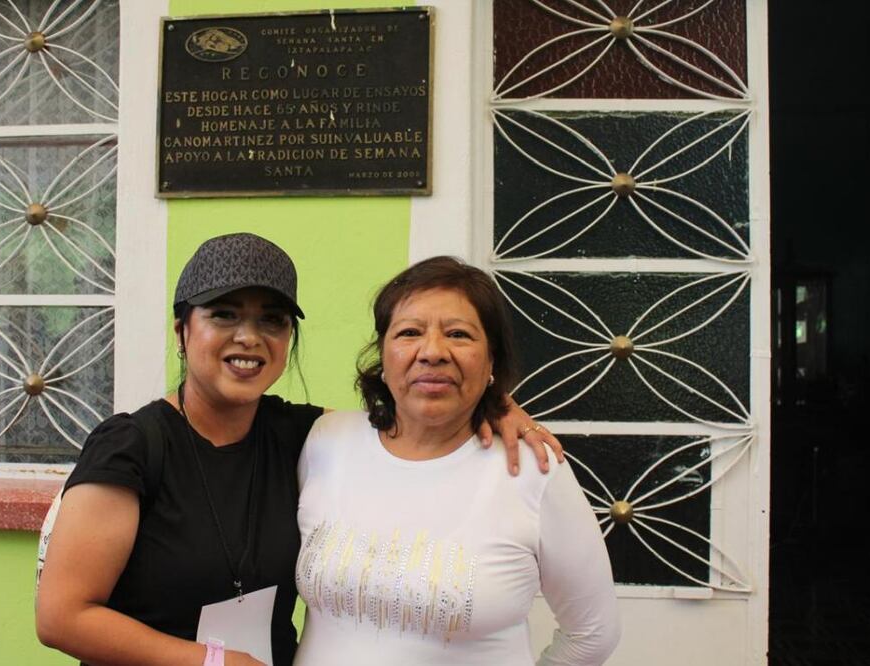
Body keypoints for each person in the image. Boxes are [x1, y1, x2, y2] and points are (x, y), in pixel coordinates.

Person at [36, 234, 562, 666]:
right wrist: (212, 662)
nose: (249, 337)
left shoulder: (303, 436)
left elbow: (411, 421)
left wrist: (492, 404)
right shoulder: (131, 447)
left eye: (272, 320)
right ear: (182, 331)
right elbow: (62, 617)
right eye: (223, 315)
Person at [295, 257, 620, 665]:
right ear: (383, 355)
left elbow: (593, 634)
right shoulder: (327, 441)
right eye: (410, 332)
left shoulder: (533, 470)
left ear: (491, 361)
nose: (432, 352)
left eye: (458, 334)